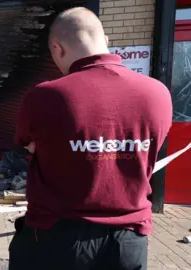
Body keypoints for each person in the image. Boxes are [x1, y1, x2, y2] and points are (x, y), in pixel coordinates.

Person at [9, 7, 172, 270]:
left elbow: (26, 144)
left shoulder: (44, 97)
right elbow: (151, 150)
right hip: (128, 242)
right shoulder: (158, 94)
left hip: (56, 238)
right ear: (105, 41)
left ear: (56, 49)